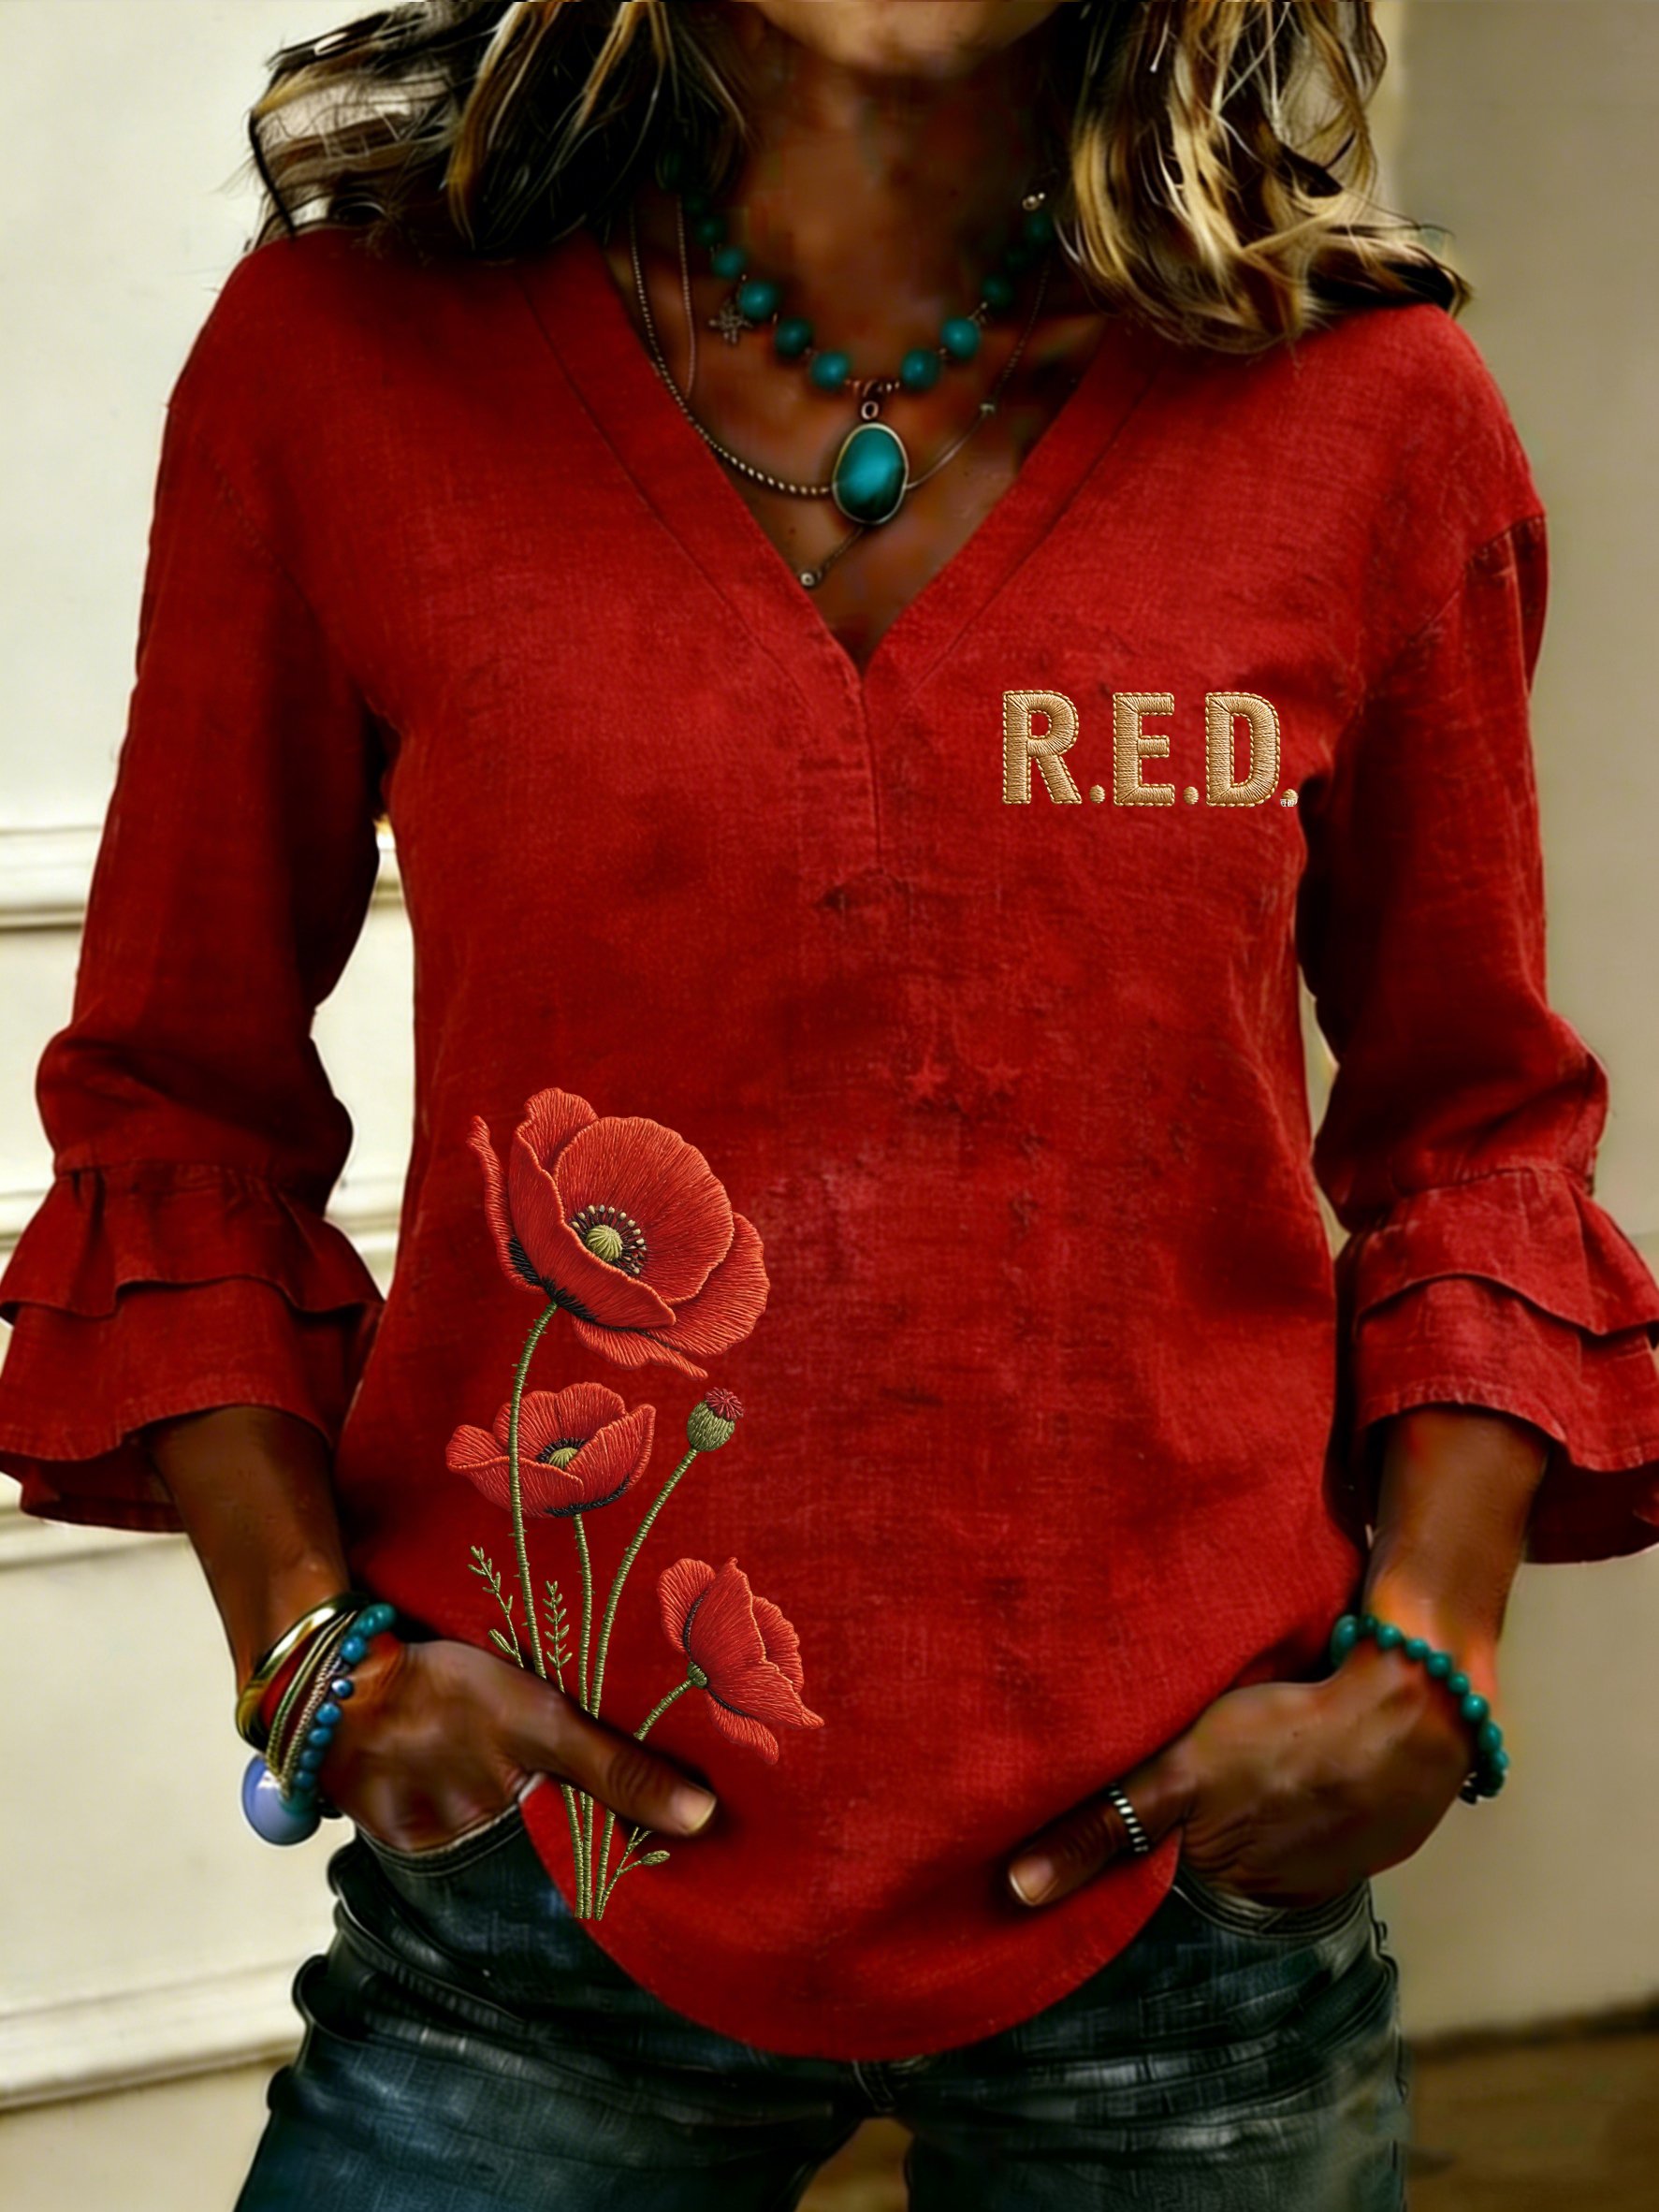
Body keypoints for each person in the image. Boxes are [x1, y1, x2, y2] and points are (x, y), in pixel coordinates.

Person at [3, 2, 1658, 2205]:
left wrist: (1424, 1658)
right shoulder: (342, 367)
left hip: (1184, 1909)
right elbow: (174, 1097)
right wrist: (306, 1648)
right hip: (530, 1892)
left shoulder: (1363, 411)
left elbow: (1475, 1130)